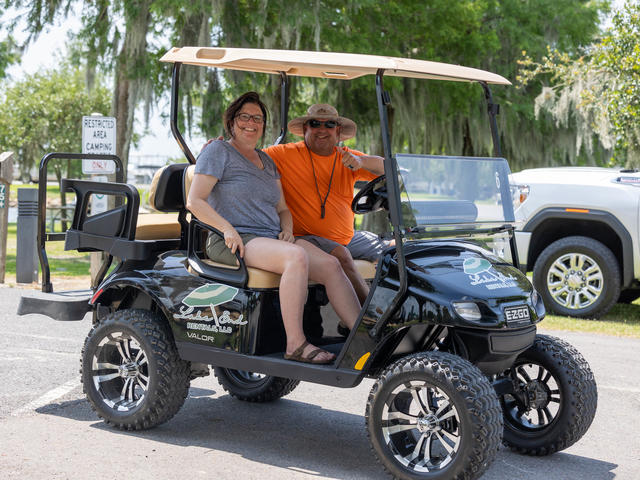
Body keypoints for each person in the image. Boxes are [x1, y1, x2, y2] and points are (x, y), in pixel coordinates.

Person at [187, 92, 360, 364]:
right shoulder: (218, 151)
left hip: (269, 238)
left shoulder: (266, 161)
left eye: (257, 118)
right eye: (244, 116)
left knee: (330, 264)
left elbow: (282, 209)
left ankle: (363, 337)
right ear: (232, 121)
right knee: (296, 256)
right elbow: (194, 201)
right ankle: (296, 344)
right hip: (232, 239)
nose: (251, 123)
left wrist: (288, 229)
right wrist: (227, 229)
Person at [263, 104, 386, 304]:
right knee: (343, 257)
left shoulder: (347, 156)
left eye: (329, 124)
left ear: (338, 131)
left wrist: (361, 162)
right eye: (315, 124)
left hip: (348, 237)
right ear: (305, 129)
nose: (322, 129)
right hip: (306, 239)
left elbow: (388, 167)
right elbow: (245, 157)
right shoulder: (282, 154)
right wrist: (214, 150)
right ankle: (372, 322)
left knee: (396, 251)